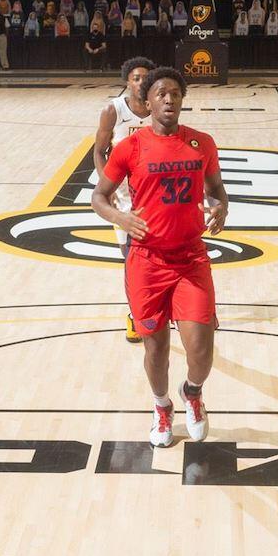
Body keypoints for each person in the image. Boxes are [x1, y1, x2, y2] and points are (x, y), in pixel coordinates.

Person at [89, 67, 229, 447]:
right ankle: (162, 406)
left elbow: (216, 188)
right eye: (162, 94)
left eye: (176, 94)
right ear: (147, 102)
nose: (170, 100)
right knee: (156, 346)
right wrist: (120, 217)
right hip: (147, 261)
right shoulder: (130, 148)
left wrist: (220, 206)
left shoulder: (202, 143)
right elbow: (98, 197)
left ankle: (193, 393)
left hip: (190, 258)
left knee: (201, 347)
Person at [94, 57, 155, 342]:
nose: (141, 81)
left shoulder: (159, 106)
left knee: (161, 257)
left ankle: (162, 309)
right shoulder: (113, 111)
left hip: (155, 193)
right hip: (123, 197)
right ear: (127, 81)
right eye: (136, 77)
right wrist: (107, 187)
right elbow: (99, 151)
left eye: (146, 76)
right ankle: (135, 314)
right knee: (132, 261)